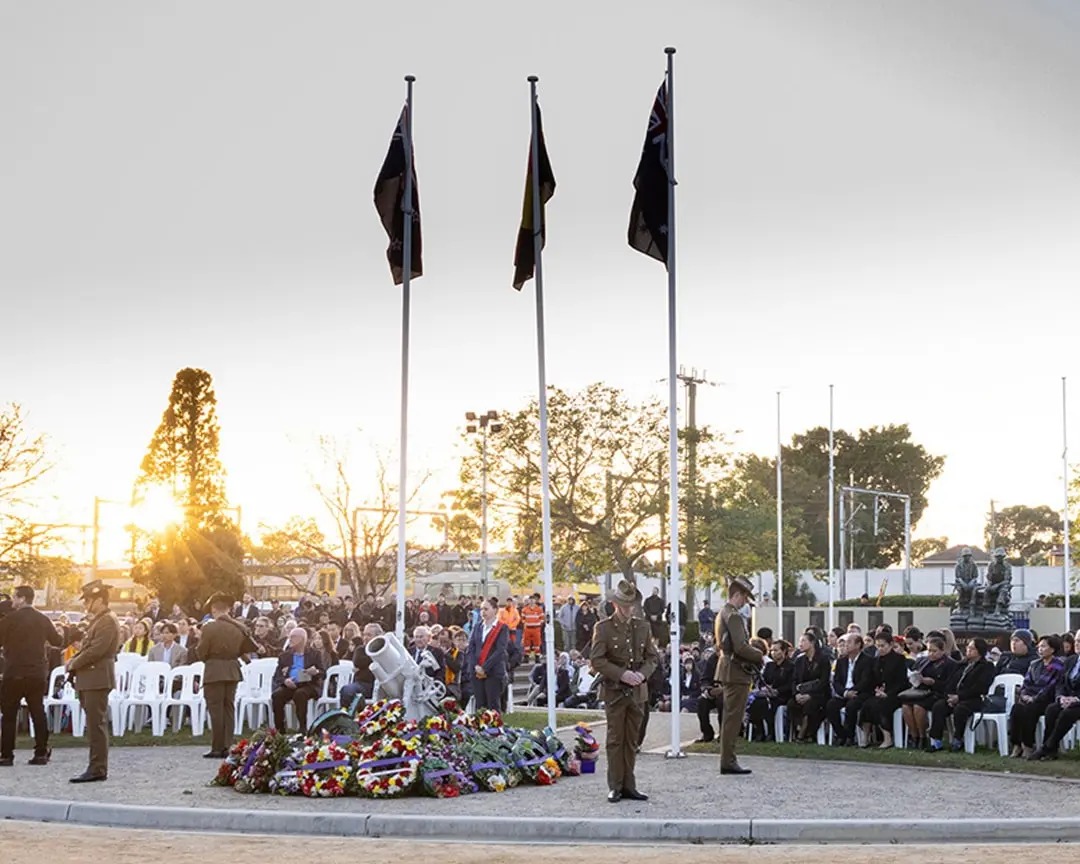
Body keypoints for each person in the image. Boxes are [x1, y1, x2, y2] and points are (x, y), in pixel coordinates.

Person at [590, 579, 659, 804]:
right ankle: (615, 786)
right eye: (625, 605)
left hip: (638, 691)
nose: (629, 609)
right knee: (615, 740)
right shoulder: (603, 628)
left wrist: (643, 674)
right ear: (616, 605)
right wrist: (621, 674)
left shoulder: (642, 626)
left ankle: (630, 785)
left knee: (632, 740)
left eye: (632, 605)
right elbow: (597, 660)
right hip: (615, 691)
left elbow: (652, 657)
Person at [0, 585, 63, 766]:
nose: (12, 601)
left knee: (9, 714)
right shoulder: (42, 619)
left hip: (14, 671)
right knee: (37, 711)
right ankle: (41, 753)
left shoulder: (10, 619)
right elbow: (57, 641)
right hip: (36, 673)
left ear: (22, 598)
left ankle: (6, 754)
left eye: (14, 597)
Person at [66, 580, 120, 783]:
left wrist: (73, 663)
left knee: (96, 724)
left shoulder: (106, 620)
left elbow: (97, 649)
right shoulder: (99, 620)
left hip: (97, 677)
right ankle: (95, 765)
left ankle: (98, 767)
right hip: (91, 677)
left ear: (99, 600)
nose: (85, 604)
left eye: (88, 600)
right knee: (93, 723)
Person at [196, 593, 257, 759]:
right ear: (229, 609)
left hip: (214, 670)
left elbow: (201, 652)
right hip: (232, 670)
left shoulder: (209, 627)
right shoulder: (238, 627)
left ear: (214, 608)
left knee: (216, 709)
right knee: (229, 708)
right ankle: (227, 745)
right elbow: (244, 649)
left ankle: (217, 747)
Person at [715, 576, 764, 775]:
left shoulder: (722, 613)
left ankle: (728, 759)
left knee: (730, 717)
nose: (745, 601)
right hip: (736, 670)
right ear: (736, 595)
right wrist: (760, 654)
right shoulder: (733, 616)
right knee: (733, 719)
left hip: (729, 668)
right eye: (744, 597)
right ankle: (728, 760)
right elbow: (741, 646)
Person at [928, 637, 995, 752]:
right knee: (938, 706)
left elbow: (980, 688)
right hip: (954, 697)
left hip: (974, 698)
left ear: (980, 651)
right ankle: (936, 741)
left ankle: (958, 740)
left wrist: (959, 697)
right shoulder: (962, 664)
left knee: (960, 709)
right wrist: (949, 696)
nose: (968, 650)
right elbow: (950, 682)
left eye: (972, 648)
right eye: (968, 648)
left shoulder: (986, 666)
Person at [1008, 634, 1063, 759]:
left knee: (1030, 709)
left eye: (1044, 647)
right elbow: (1026, 683)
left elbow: (1048, 687)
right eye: (1039, 647)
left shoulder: (1057, 666)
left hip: (1045, 700)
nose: (1040, 649)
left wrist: (1034, 698)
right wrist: (1024, 695)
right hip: (1029, 697)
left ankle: (1028, 745)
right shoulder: (1034, 664)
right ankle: (1016, 744)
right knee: (1017, 708)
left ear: (1052, 649)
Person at [1031, 639, 1080, 761]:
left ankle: (1047, 747)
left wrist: (1076, 699)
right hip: (1068, 699)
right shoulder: (1071, 660)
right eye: (1077, 641)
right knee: (1051, 709)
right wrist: (1061, 697)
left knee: (1067, 713)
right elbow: (1061, 683)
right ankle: (1051, 751)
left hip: (1078, 702)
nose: (1078, 644)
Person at [270, 627, 327, 732]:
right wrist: (285, 681)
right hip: (290, 684)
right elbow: (277, 675)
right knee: (277, 695)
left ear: (302, 639)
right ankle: (279, 729)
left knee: (300, 694)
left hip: (309, 685)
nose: (289, 639)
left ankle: (302, 728)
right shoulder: (284, 655)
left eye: (292, 637)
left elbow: (323, 673)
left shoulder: (315, 654)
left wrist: (316, 672)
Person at [826, 633, 875, 746]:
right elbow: (836, 681)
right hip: (845, 693)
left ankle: (850, 736)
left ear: (858, 645)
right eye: (844, 643)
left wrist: (853, 691)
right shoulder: (841, 661)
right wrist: (845, 692)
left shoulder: (867, 661)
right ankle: (841, 734)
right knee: (831, 705)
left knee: (852, 706)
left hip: (859, 693)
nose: (846, 645)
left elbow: (865, 681)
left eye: (849, 642)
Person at [466, 597, 509, 711]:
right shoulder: (477, 627)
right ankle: (480, 728)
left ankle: (493, 729)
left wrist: (484, 668)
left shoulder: (502, 628)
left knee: (492, 705)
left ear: (495, 610)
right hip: (476, 671)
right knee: (480, 705)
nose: (482, 612)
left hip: (493, 671)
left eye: (486, 609)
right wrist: (475, 666)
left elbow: (500, 650)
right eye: (481, 609)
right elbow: (471, 648)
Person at [788, 632, 830, 743]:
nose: (800, 644)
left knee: (810, 706)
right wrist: (796, 694)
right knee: (792, 704)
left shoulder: (823, 660)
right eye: (800, 641)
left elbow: (823, 681)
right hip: (801, 692)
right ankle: (799, 728)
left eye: (803, 641)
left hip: (818, 694)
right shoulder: (800, 660)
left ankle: (804, 733)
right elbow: (794, 680)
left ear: (812, 643)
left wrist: (810, 695)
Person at [340, 622, 382, 710]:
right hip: (362, 685)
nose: (365, 638)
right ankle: (346, 717)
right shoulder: (360, 649)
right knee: (347, 690)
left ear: (377, 636)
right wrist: (374, 657)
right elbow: (358, 662)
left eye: (369, 635)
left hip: (381, 685)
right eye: (364, 635)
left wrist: (367, 661)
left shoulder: (384, 650)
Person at [521, 594, 545, 662]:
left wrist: (538, 623)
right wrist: (526, 623)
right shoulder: (525, 609)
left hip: (536, 628)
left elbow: (542, 618)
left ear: (535, 601)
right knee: (526, 643)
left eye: (533, 599)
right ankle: (526, 657)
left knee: (537, 643)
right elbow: (522, 619)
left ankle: (537, 657)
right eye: (530, 599)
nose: (531, 601)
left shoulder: (539, 609)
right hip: (528, 628)